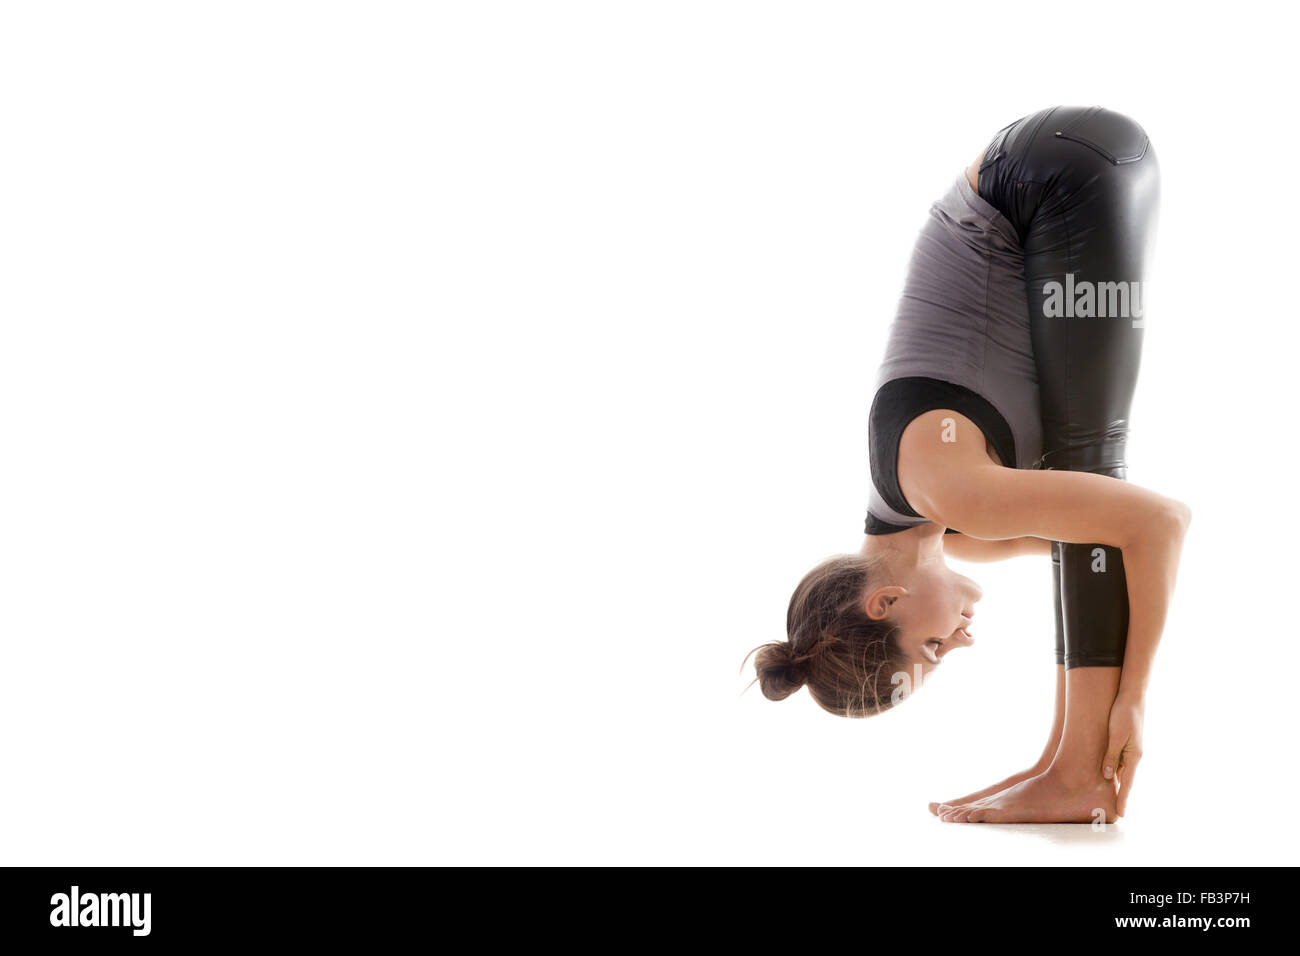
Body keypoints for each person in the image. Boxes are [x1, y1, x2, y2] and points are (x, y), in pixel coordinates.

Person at [744, 106, 1190, 823]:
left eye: (933, 647)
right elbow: (1103, 549)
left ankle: (1076, 773)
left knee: (1095, 466)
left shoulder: (956, 495)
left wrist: (1134, 700)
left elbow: (1161, 524)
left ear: (883, 603)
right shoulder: (948, 524)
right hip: (1055, 166)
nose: (964, 639)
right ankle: (1061, 765)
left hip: (1053, 172)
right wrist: (1049, 753)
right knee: (1089, 512)